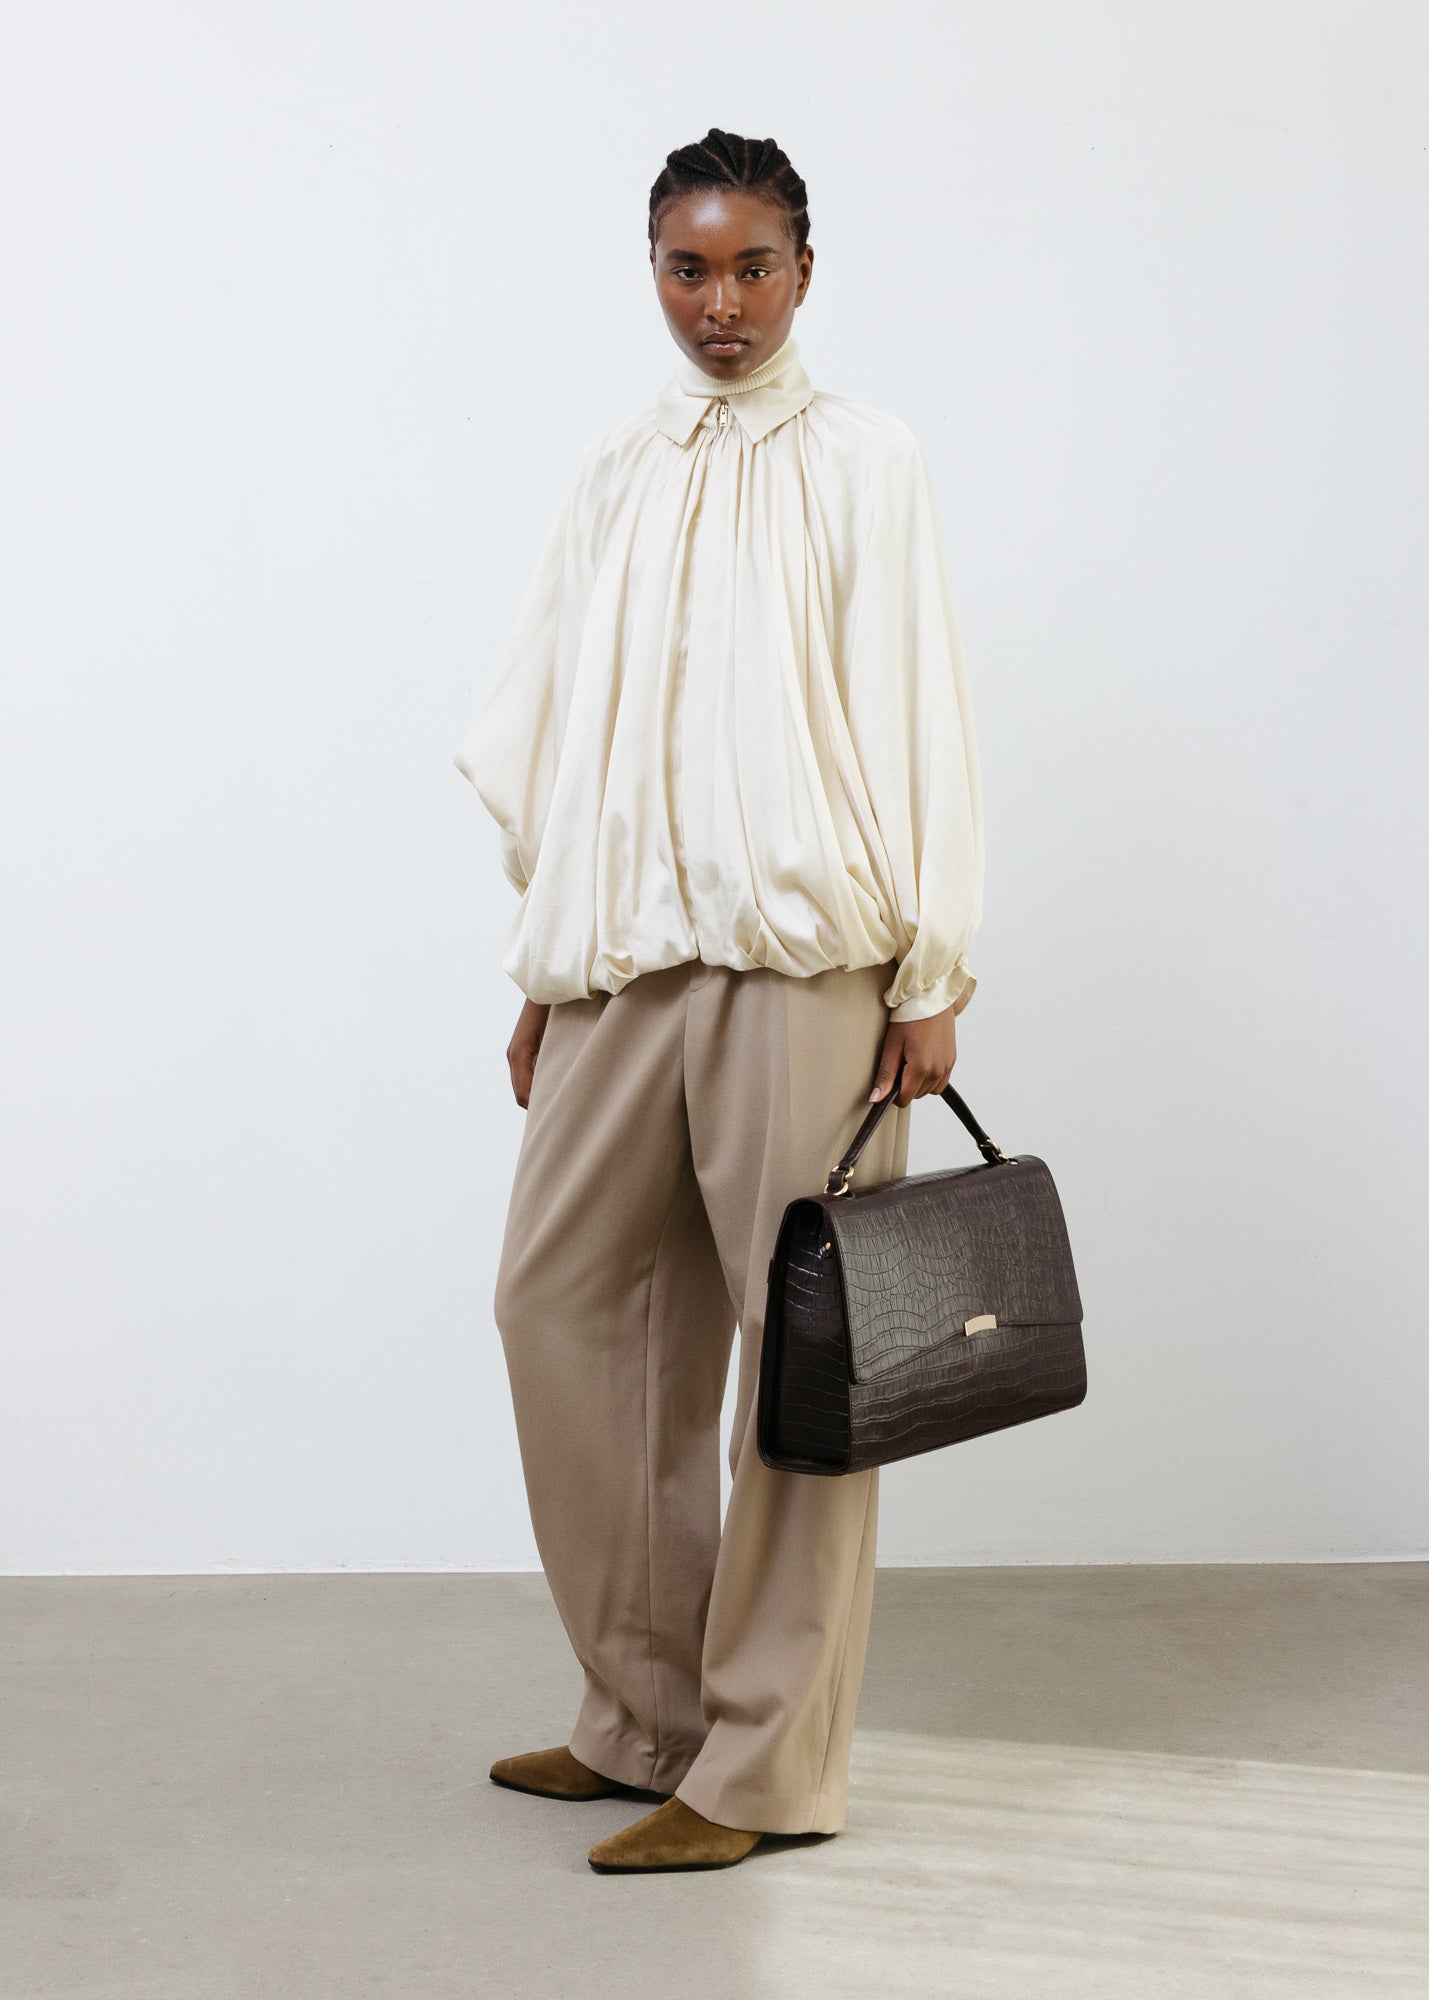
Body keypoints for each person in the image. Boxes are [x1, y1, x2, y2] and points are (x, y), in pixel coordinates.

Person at [454, 127, 984, 1875]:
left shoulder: (866, 460)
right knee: (561, 1308)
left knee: (805, 1364)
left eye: (753, 265)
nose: (722, 302)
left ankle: (758, 1771)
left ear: (804, 272)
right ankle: (645, 1719)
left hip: (808, 967)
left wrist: (931, 970)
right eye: (689, 268)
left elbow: (917, 711)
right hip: (622, 964)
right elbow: (566, 725)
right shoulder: (619, 465)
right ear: (654, 274)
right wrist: (547, 963)